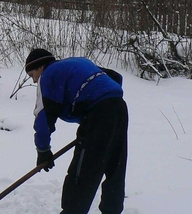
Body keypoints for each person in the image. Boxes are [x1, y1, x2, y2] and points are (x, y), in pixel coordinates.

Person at [25, 48, 128, 214]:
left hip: (98, 113)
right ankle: (112, 210)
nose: (34, 80)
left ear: (39, 67)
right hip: (118, 107)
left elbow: (43, 117)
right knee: (115, 165)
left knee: (83, 170)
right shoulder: (75, 63)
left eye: (32, 75)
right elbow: (114, 77)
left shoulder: (49, 75)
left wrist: (43, 150)